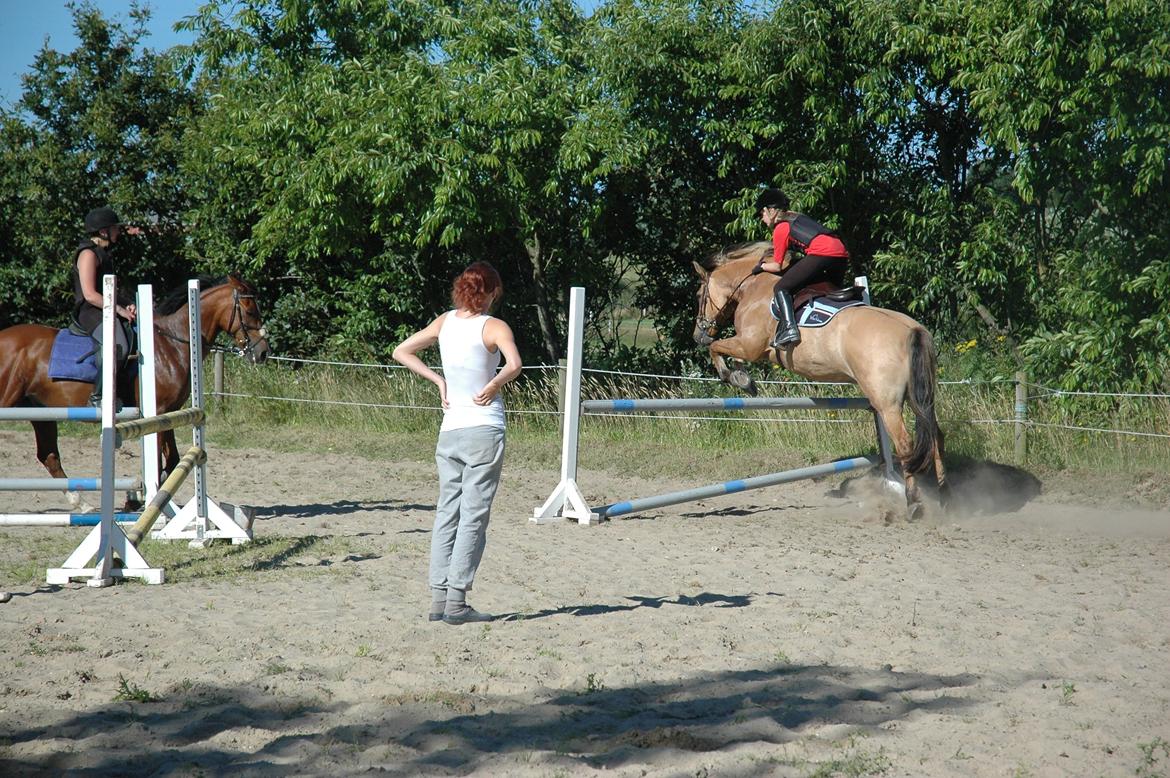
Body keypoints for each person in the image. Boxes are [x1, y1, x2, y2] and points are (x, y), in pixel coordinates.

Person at [392, 261, 522, 625]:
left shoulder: (444, 322)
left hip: (449, 431)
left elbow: (401, 351)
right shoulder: (494, 326)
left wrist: (438, 381)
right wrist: (494, 385)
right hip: (483, 429)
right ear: (492, 291)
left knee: (447, 511)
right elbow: (514, 364)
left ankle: (438, 598)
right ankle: (457, 602)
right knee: (473, 516)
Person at [750, 188, 850, 347]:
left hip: (823, 253)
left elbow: (777, 266)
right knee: (826, 289)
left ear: (771, 210)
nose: (762, 219)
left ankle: (789, 328)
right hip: (841, 253)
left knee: (781, 287)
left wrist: (761, 266)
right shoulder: (798, 217)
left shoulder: (781, 228)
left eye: (762, 213)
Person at [71, 206, 141, 405]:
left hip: (105, 308)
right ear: (103, 231)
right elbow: (90, 294)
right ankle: (98, 396)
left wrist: (128, 304)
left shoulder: (103, 253)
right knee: (118, 345)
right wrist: (118, 309)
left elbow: (111, 291)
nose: (118, 232)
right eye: (115, 228)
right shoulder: (88, 254)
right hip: (90, 311)